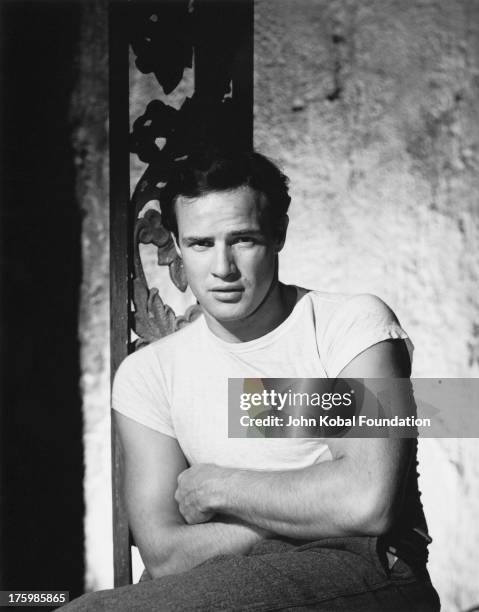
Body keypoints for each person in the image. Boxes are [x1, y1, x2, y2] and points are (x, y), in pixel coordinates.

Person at [60, 149, 440, 611]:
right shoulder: (148, 374)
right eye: (201, 243)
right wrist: (303, 514)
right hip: (224, 578)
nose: (223, 268)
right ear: (177, 247)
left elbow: (367, 503)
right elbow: (163, 554)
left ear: (278, 234)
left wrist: (220, 488)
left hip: (368, 568)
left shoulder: (352, 326)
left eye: (243, 240)